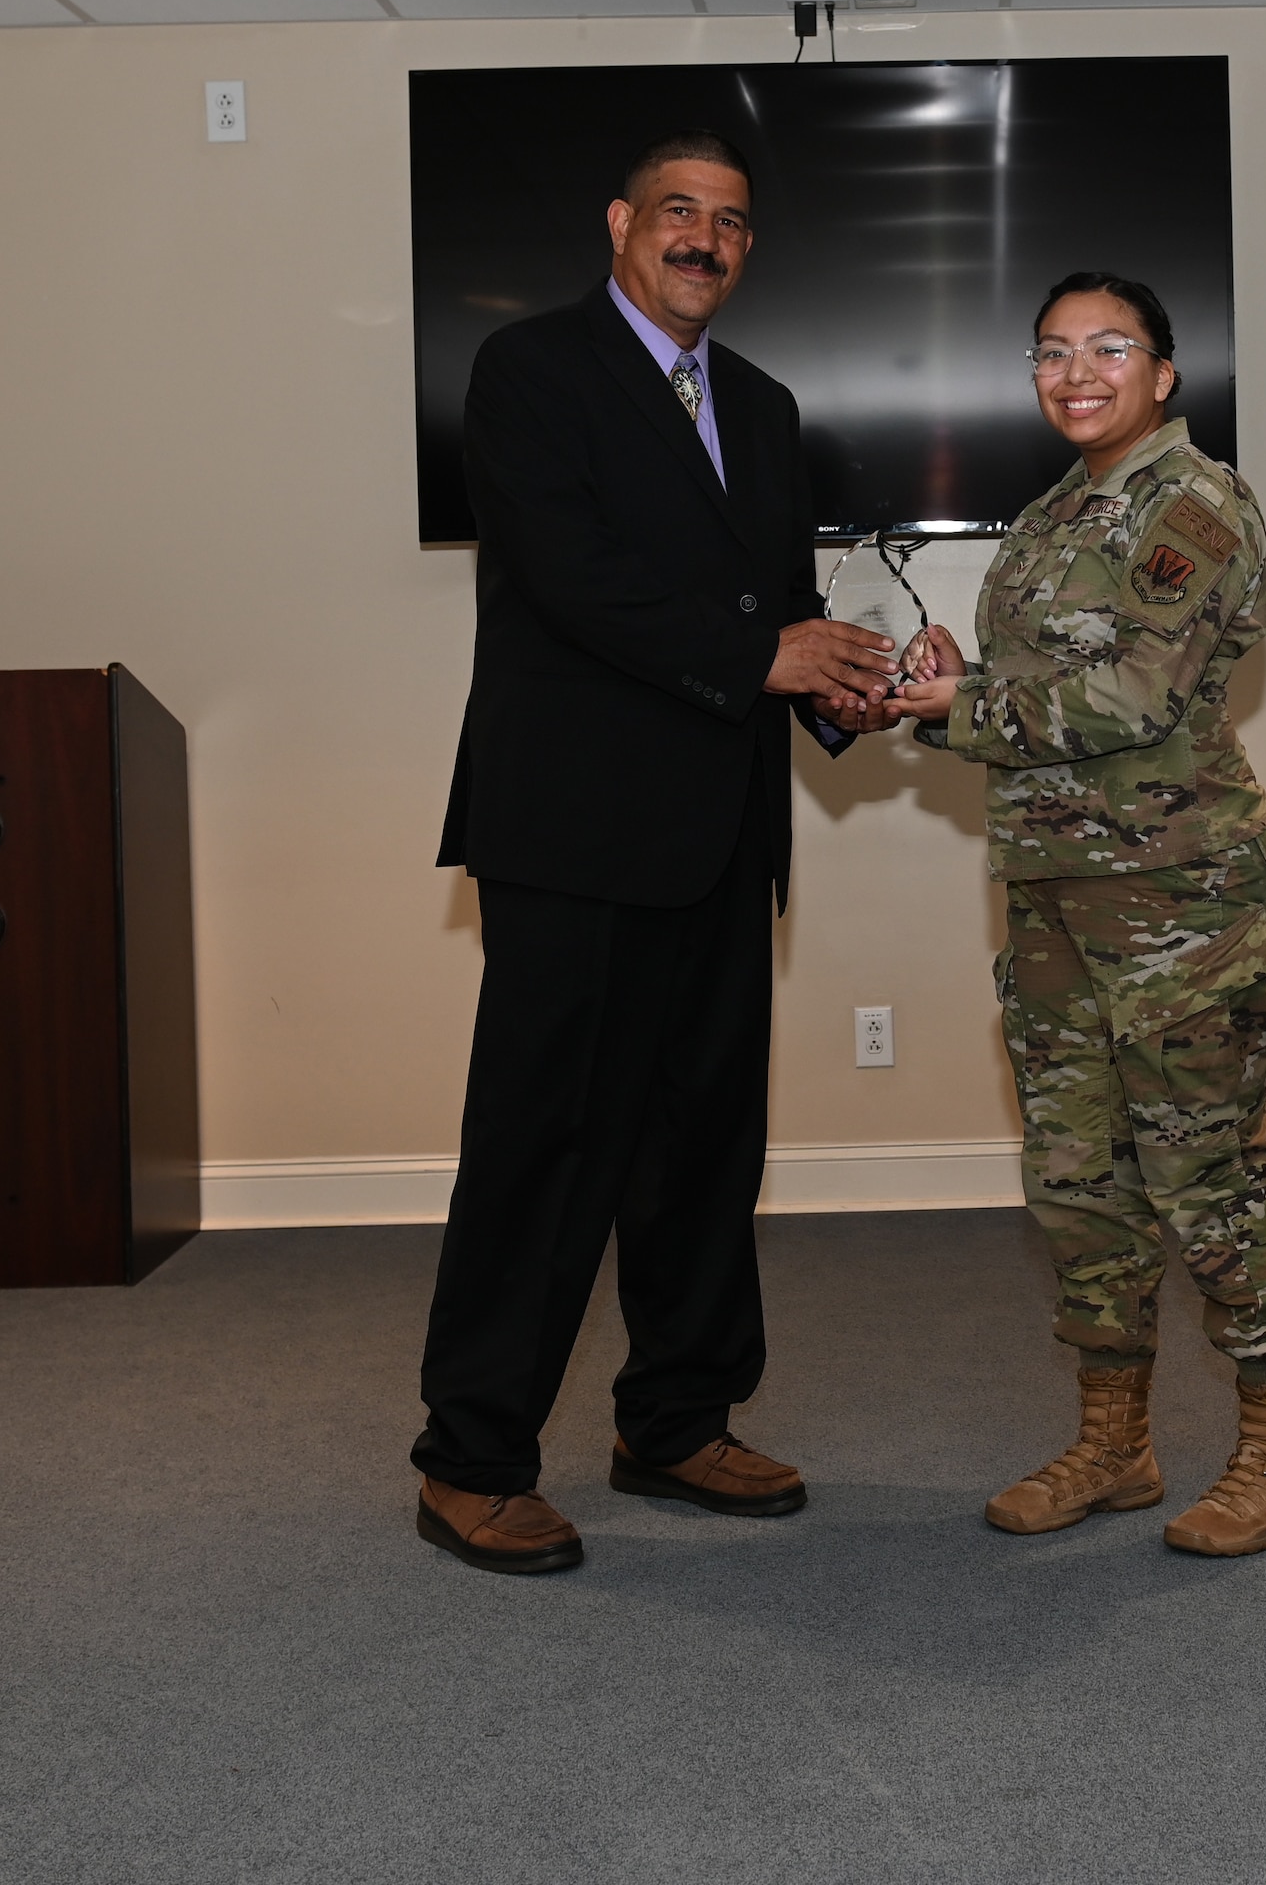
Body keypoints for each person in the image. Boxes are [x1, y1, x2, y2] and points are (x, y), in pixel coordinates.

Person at [412, 129, 900, 1575]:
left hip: (721, 833)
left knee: (701, 1146)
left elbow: (775, 606)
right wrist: (764, 652)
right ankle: (471, 1454)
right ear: (621, 224)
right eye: (677, 211)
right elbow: (575, 583)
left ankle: (675, 1422)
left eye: (731, 221)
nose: (704, 236)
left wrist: (841, 681)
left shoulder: (760, 404)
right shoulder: (528, 372)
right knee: (547, 1148)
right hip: (572, 827)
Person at [898, 272, 1266, 1557]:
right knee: (1079, 1178)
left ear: (1163, 372)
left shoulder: (1191, 503)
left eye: (1107, 347)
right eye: (1050, 351)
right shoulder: (1050, 513)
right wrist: (959, 680)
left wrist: (960, 712)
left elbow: (1136, 693)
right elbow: (1054, 686)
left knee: (1209, 1173)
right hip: (1052, 889)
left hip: (1178, 897)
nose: (1074, 371)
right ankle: (1116, 1444)